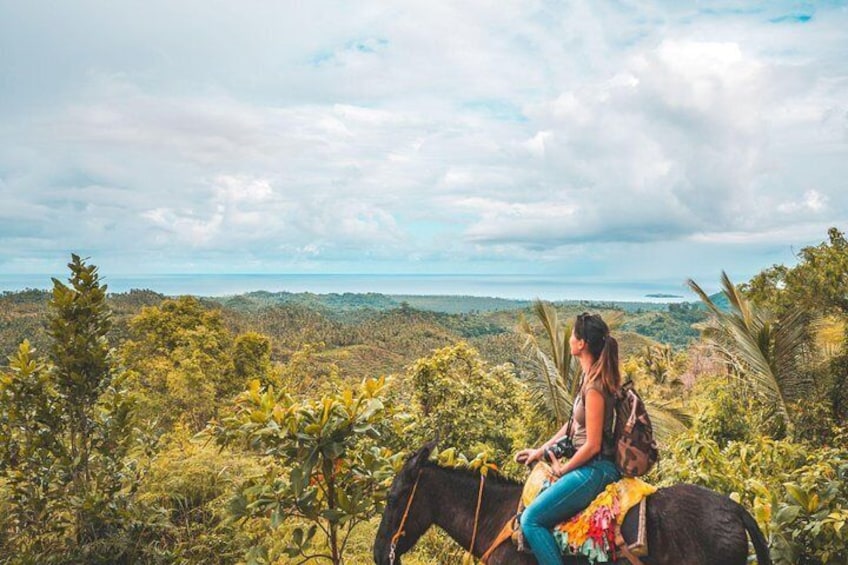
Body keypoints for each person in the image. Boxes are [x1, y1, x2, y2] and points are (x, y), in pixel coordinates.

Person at [513, 312, 622, 564]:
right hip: (587, 465)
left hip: (595, 469)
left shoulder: (595, 387)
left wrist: (563, 471)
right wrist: (540, 451)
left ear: (582, 343)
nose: (570, 339)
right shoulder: (588, 377)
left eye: (573, 335)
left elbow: (593, 444)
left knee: (531, 520)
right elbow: (572, 425)